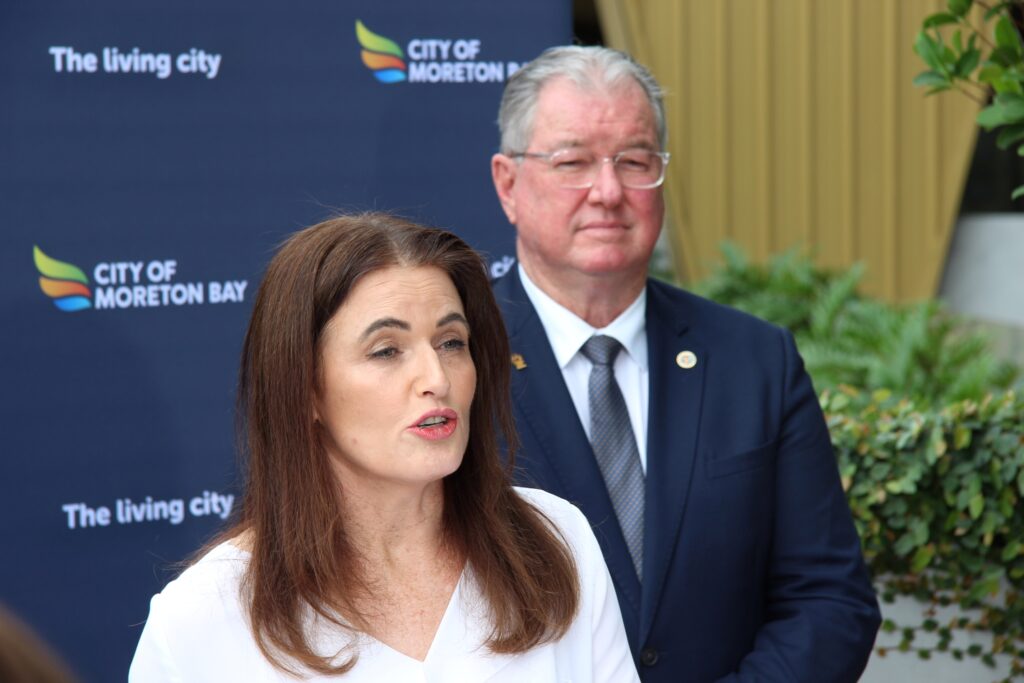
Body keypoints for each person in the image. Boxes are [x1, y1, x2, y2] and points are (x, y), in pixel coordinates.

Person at [490, 46, 881, 682]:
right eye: (573, 162)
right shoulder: (454, 364)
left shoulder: (756, 360)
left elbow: (829, 599)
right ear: (508, 183)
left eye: (635, 161)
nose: (609, 191)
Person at [129, 213, 639, 682]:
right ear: (304, 388)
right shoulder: (200, 620)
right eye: (387, 351)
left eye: (451, 343)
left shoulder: (556, 541)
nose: (436, 378)